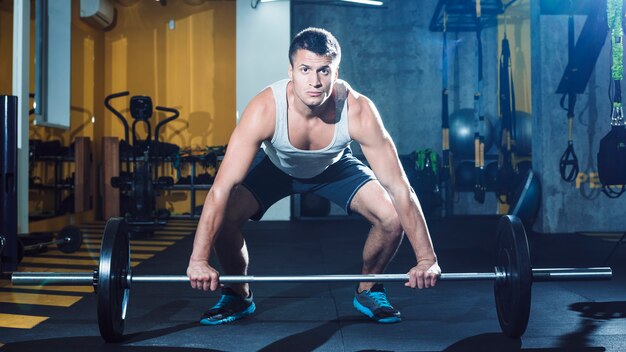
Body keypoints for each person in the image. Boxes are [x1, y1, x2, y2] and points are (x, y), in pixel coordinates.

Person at [187, 27, 441, 325]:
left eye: (324, 70)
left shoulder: (358, 110)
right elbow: (221, 189)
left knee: (391, 217)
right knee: (226, 216)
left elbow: (400, 188)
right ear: (291, 71)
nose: (315, 81)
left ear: (336, 72)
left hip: (335, 168)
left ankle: (369, 287)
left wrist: (427, 259)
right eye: (305, 69)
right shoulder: (265, 108)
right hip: (274, 167)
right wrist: (198, 260)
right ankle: (237, 294)